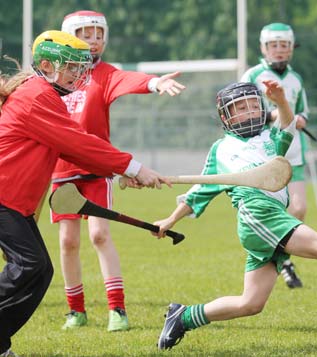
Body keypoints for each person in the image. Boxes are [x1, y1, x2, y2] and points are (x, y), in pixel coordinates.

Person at [152, 81, 317, 350]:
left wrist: (281, 100)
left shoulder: (269, 140)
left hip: (269, 217)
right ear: (226, 117)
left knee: (251, 303)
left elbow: (287, 126)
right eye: (240, 109)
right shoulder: (221, 149)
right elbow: (200, 190)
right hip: (257, 214)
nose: (249, 113)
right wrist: (170, 219)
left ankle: (183, 317)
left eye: (252, 106)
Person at [0, 30, 170, 357]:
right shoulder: (36, 95)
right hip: (4, 198)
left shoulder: (43, 96)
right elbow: (78, 143)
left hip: (13, 203)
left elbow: (71, 148)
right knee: (30, 267)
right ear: (47, 65)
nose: (79, 75)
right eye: (72, 68)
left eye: (82, 68)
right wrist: (134, 167)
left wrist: (120, 171)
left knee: (39, 270)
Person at [51, 10, 185, 332]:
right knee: (68, 242)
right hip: (61, 170)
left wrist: (155, 83)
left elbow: (130, 80)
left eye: (99, 35)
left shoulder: (106, 74)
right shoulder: (54, 77)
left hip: (97, 168)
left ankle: (117, 309)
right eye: (86, 34)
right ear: (70, 36)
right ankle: (76, 311)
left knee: (99, 234)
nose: (94, 41)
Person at [241, 23, 308, 289]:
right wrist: (271, 115)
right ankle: (282, 263)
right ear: (263, 48)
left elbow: (304, 110)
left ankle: (282, 258)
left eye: (284, 45)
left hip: (294, 151)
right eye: (274, 45)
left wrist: (300, 118)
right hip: (264, 153)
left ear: (291, 49)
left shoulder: (296, 79)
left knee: (299, 208)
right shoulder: (253, 75)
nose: (279, 51)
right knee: (274, 209)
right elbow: (242, 110)